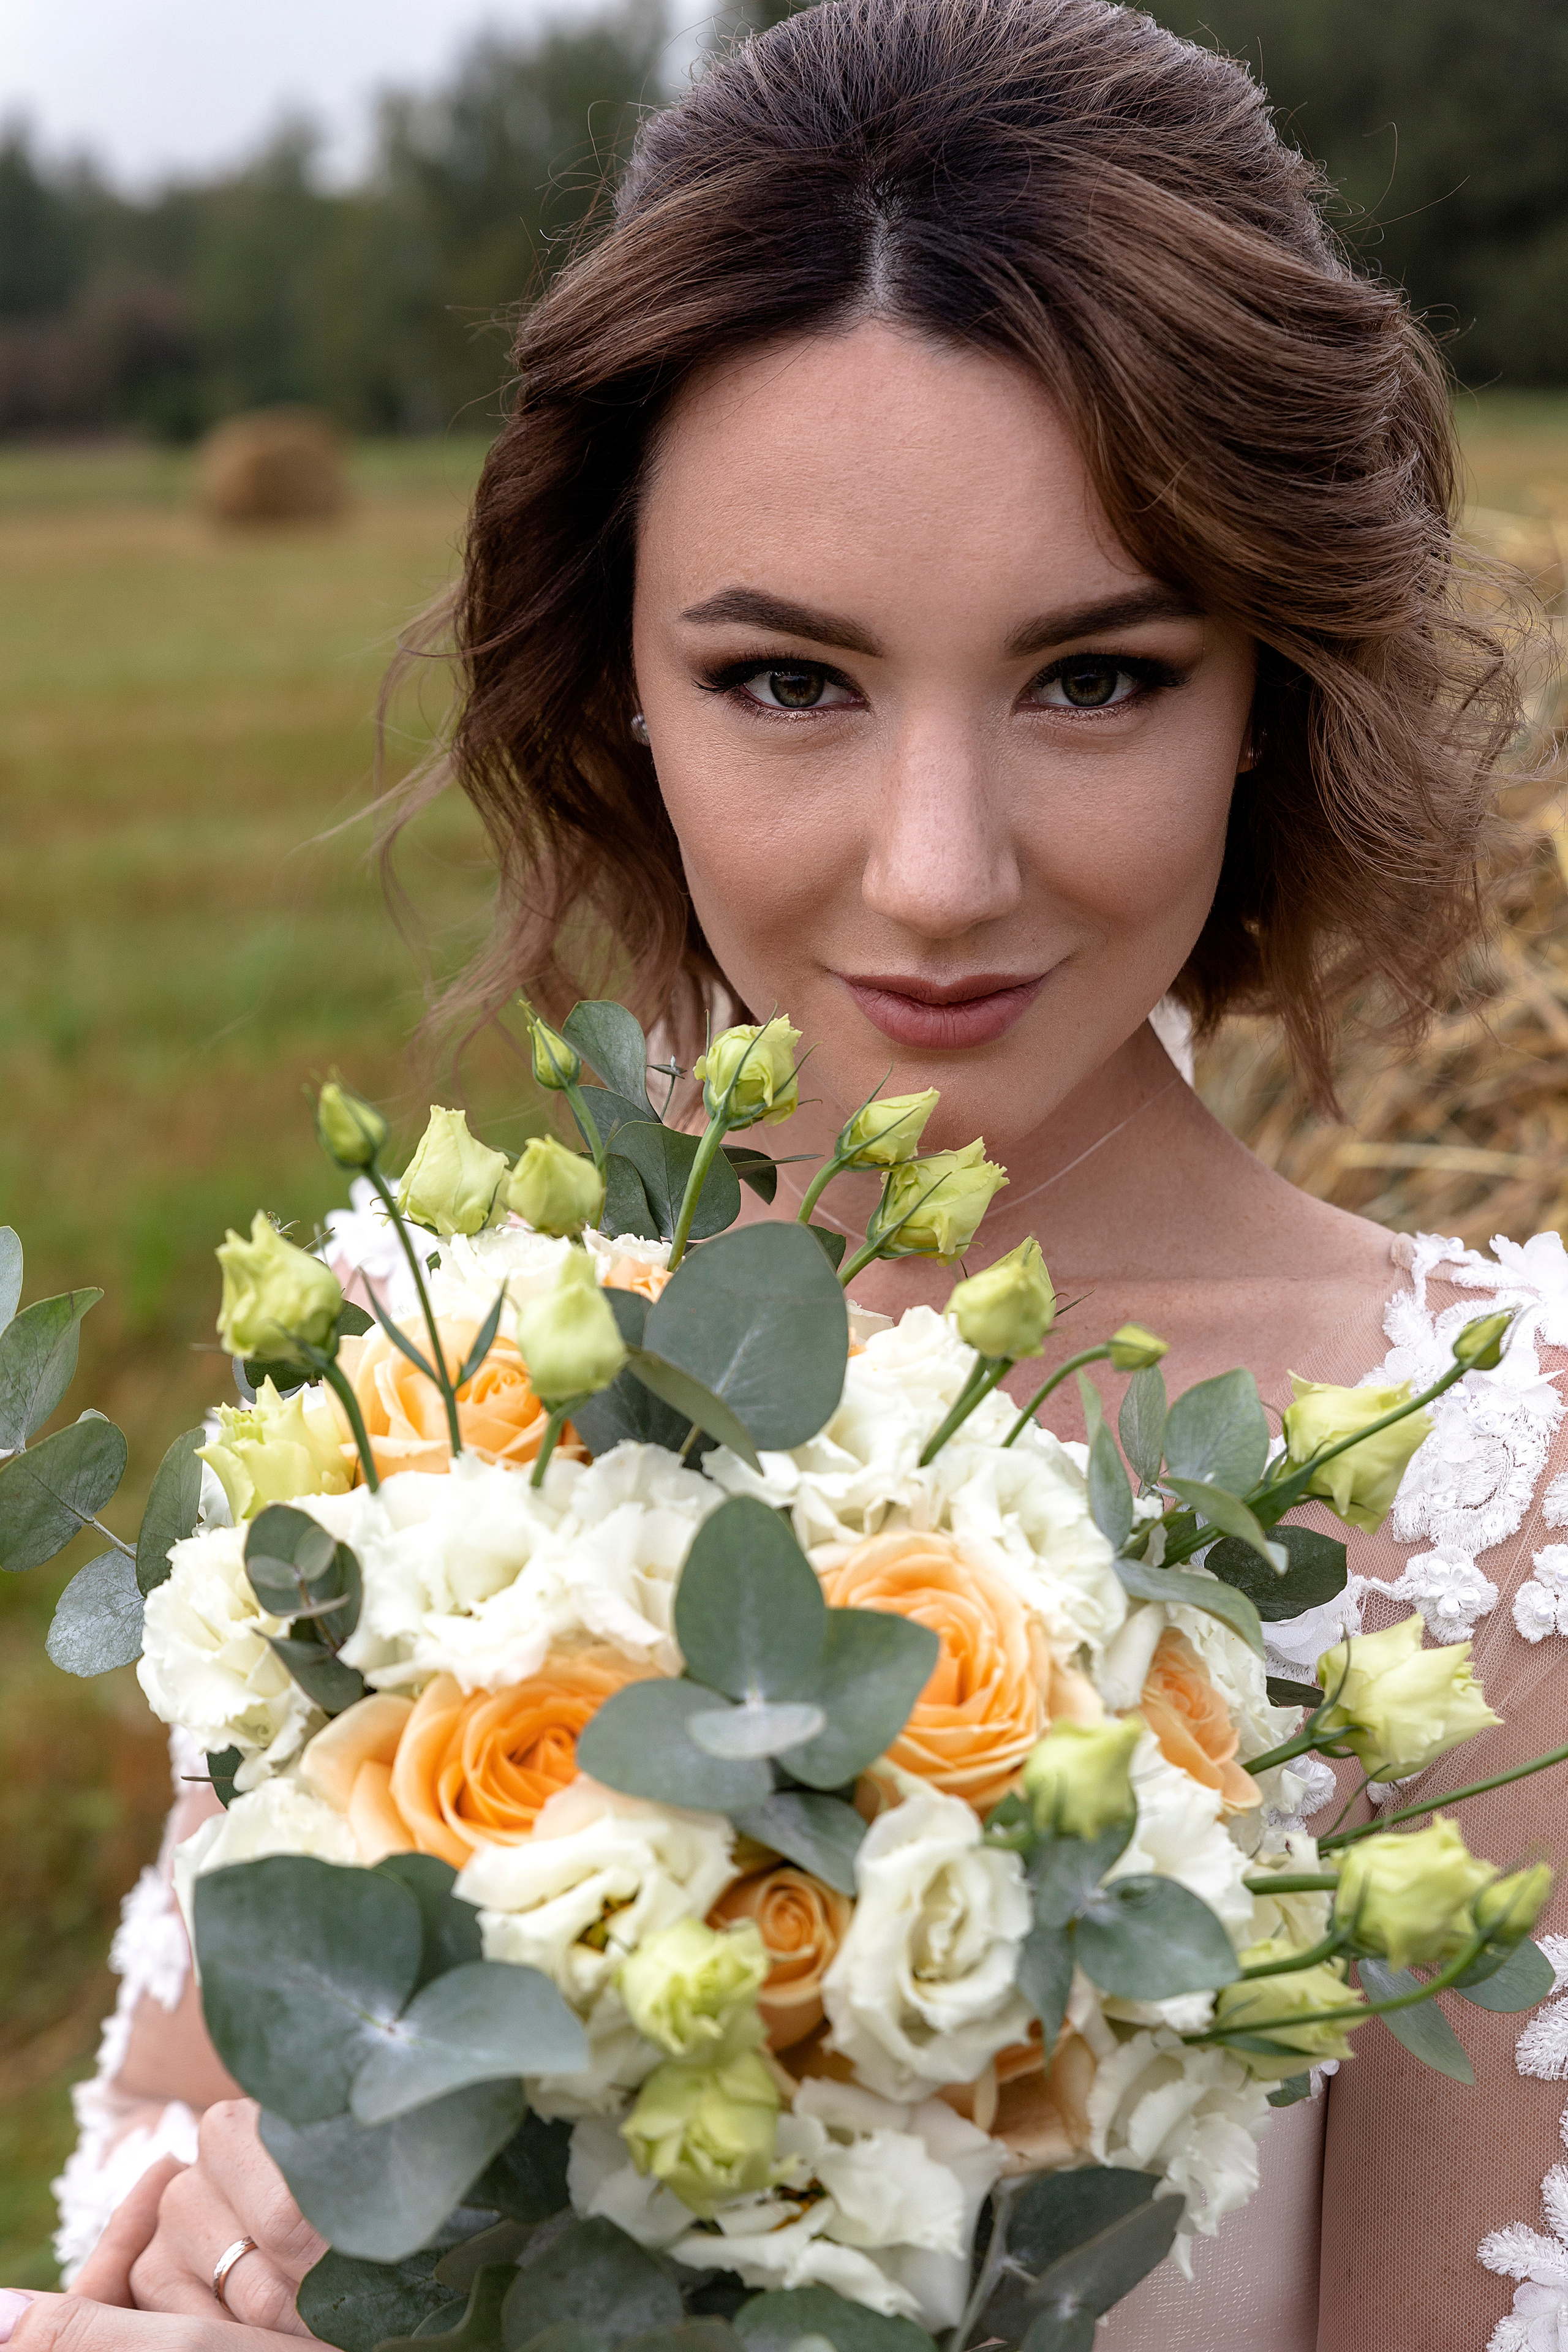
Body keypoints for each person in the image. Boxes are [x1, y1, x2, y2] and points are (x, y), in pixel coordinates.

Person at [13, 0, 1568, 2345]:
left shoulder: (1494, 1501)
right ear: (611, 677)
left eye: (1097, 678)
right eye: (787, 682)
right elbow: (161, 2172)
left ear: (1272, 677)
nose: (939, 875)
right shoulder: (417, 1397)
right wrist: (218, 2269)